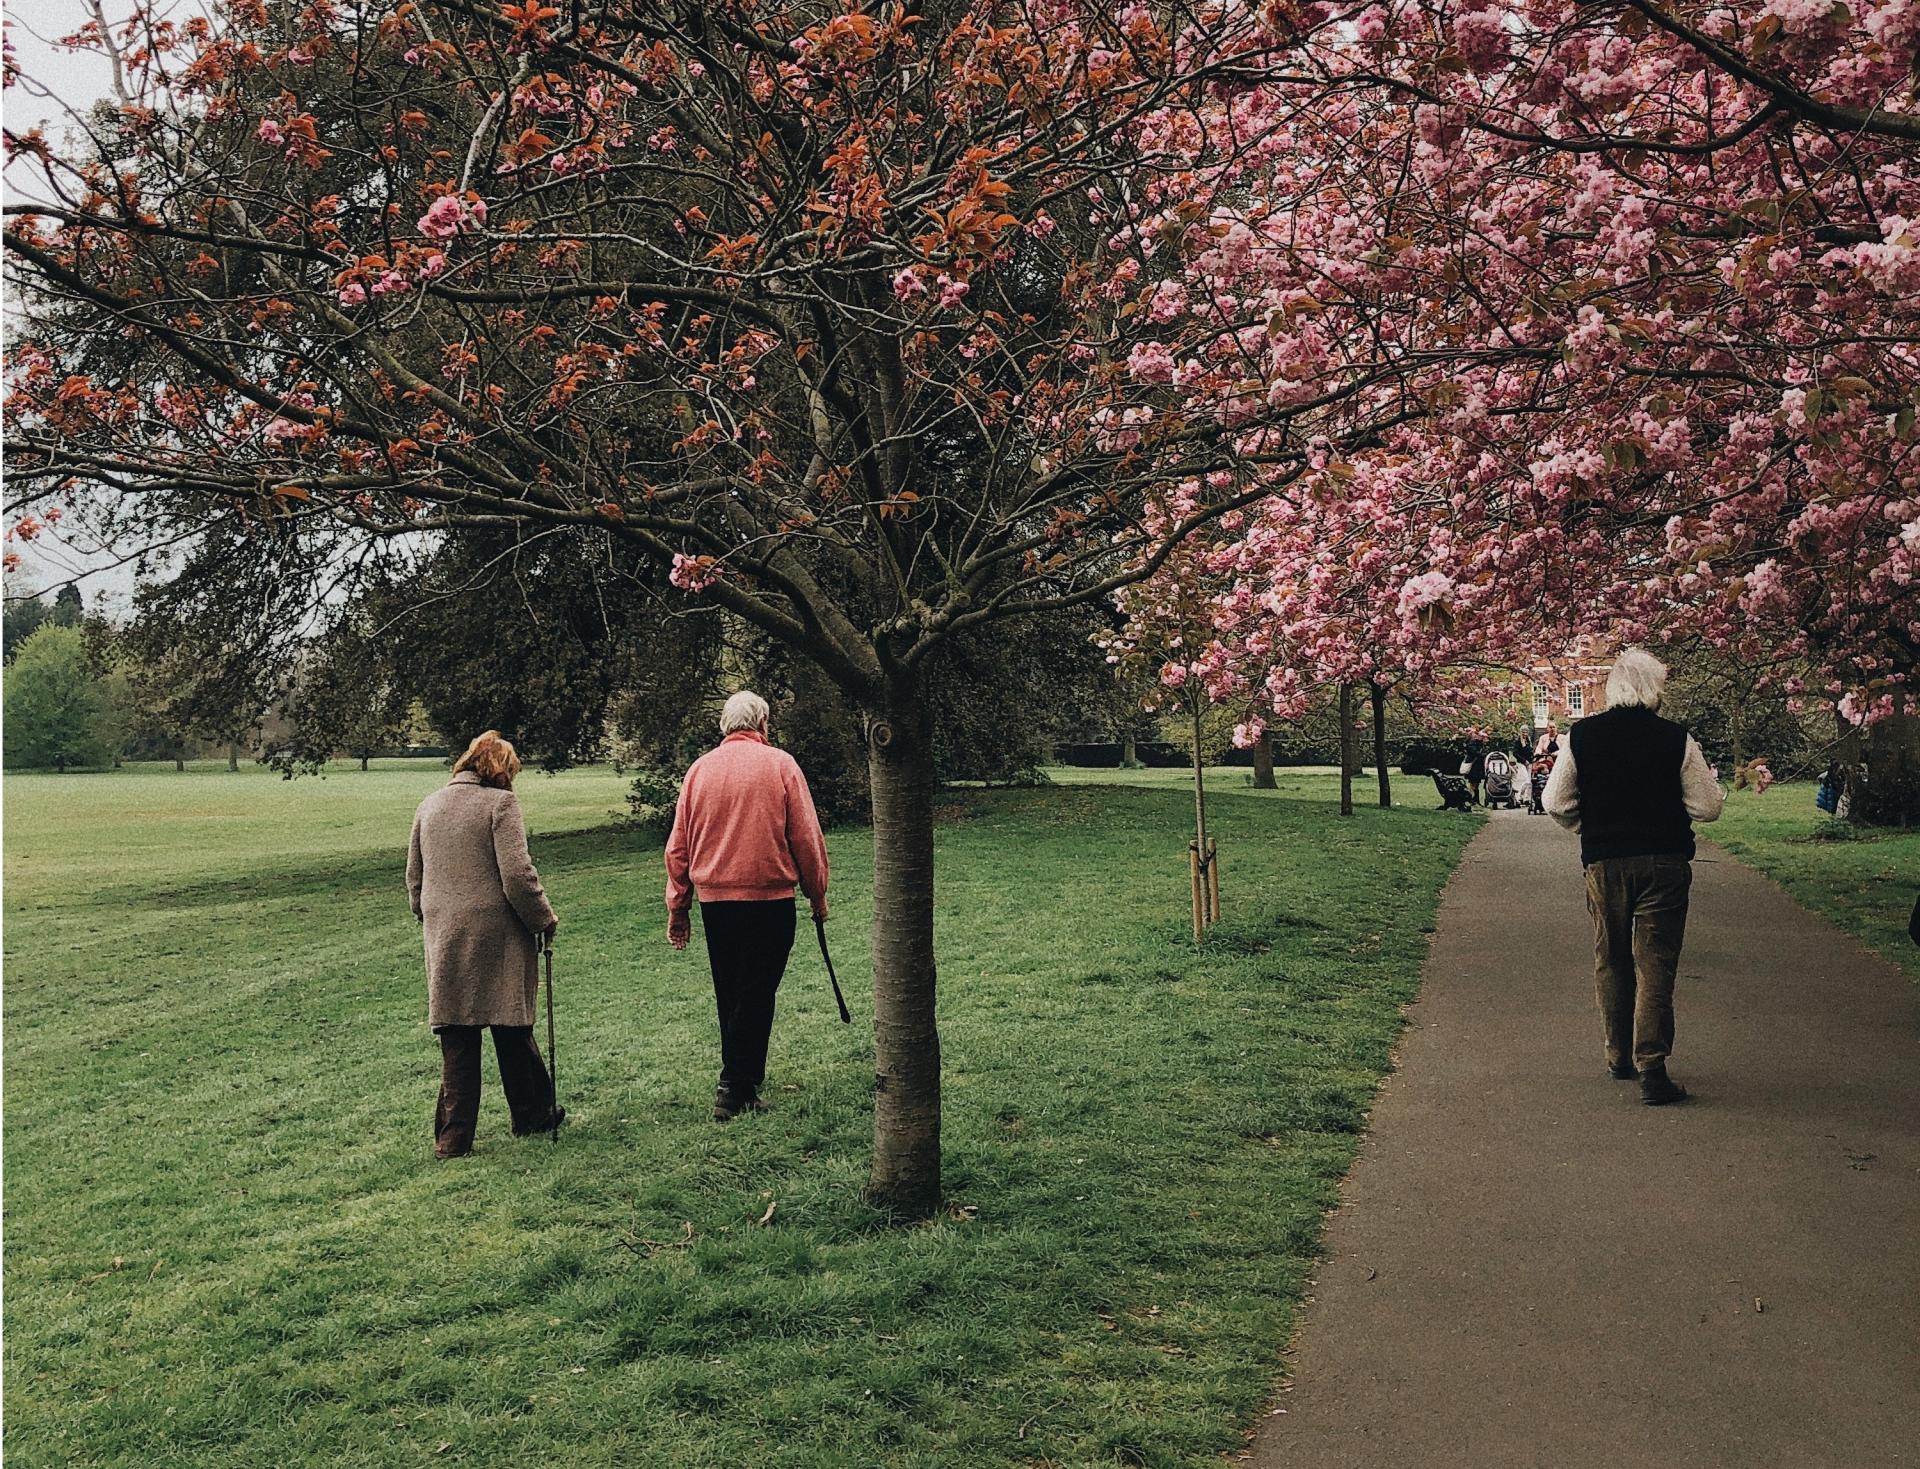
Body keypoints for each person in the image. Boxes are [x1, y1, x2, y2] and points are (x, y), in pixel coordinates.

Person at [1542, 651, 1723, 1105]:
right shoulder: (1676, 739)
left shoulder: (1581, 736)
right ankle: (1653, 1067)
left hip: (1605, 863)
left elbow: (1555, 802)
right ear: (1654, 688)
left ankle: (1618, 1054)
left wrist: (1594, 828)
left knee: (1612, 957)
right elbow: (1708, 807)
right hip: (1663, 862)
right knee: (1655, 962)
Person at [665, 691, 830, 1121]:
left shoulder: (699, 771)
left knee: (732, 990)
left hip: (715, 903)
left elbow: (678, 847)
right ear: (764, 724)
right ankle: (736, 1085)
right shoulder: (781, 765)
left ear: (725, 725)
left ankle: (738, 1081)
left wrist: (678, 906)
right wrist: (817, 892)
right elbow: (806, 839)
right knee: (757, 992)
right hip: (769, 900)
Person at [407, 730, 562, 1157]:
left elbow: (414, 879)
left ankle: (453, 1139)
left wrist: (432, 917)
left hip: (445, 932)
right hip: (497, 932)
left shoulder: (429, 804)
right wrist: (543, 918)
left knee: (456, 1031)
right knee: (511, 1023)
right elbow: (517, 874)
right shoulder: (500, 804)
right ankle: (532, 1114)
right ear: (500, 770)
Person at [1463, 733, 1488, 805]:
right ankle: (1472, 799)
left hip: (1478, 767)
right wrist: (1483, 755)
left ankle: (1476, 800)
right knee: (1472, 783)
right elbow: (1475, 753)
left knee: (1476, 783)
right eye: (1485, 738)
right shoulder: (1472, 744)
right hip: (1473, 767)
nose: (1486, 740)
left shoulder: (1480, 744)